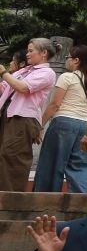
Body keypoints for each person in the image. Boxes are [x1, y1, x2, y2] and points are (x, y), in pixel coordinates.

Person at [32, 43, 87, 195]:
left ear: (76, 60)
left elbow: (55, 104)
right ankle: (80, 201)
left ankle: (46, 200)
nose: (66, 60)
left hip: (63, 123)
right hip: (84, 125)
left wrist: (40, 125)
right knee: (80, 167)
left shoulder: (67, 77)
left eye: (68, 57)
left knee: (52, 164)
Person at [1, 37, 57, 193]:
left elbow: (23, 88)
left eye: (31, 51)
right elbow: (4, 87)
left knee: (13, 158)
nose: (27, 54)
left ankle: (12, 198)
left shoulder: (47, 73)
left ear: (44, 53)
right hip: (8, 115)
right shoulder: (25, 70)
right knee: (4, 156)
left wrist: (4, 72)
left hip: (22, 118)